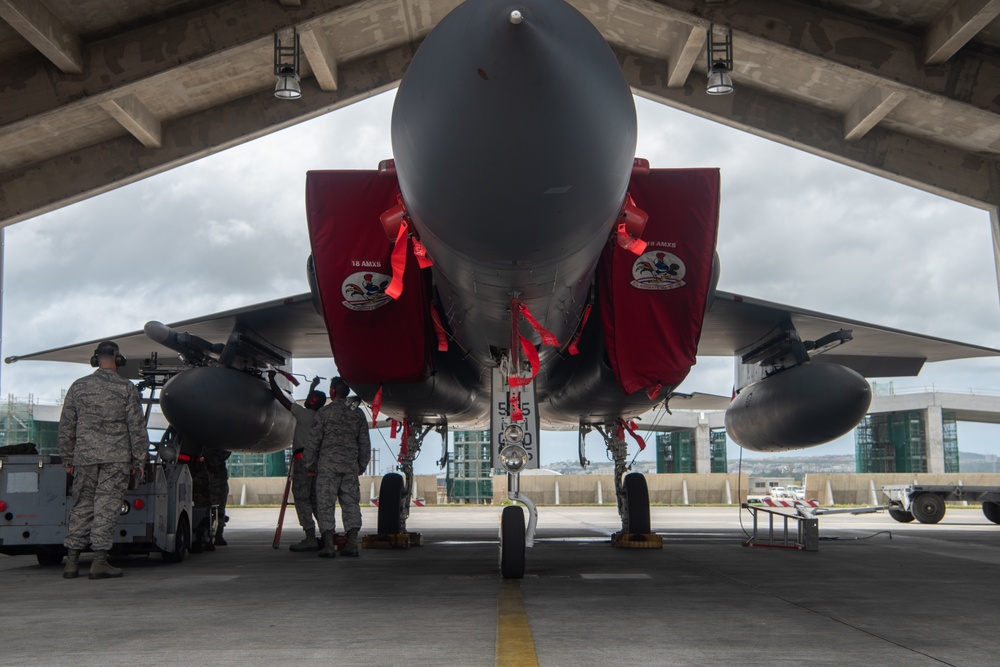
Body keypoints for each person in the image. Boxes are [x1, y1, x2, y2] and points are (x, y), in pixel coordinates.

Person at [59, 341, 149, 579]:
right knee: (106, 508)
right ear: (118, 359)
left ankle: (71, 562)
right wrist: (140, 461)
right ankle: (99, 561)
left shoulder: (78, 387)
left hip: (85, 458)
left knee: (82, 506)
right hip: (116, 458)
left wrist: (68, 458)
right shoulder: (126, 388)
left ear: (95, 358)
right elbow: (136, 428)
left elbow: (67, 426)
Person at [303, 377, 370, 558]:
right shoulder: (358, 414)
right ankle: (352, 544)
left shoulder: (324, 412)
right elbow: (364, 442)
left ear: (332, 391)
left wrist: (309, 464)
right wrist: (362, 465)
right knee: (350, 504)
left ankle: (328, 545)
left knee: (325, 504)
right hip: (349, 466)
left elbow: (313, 440)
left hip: (328, 468)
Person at [268, 371, 326, 551]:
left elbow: (281, 398)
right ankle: (326, 536)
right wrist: (313, 387)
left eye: (310, 398)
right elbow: (311, 401)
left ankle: (309, 537)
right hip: (319, 462)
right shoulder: (320, 417)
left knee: (301, 498)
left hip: (303, 462)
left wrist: (271, 380)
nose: (307, 400)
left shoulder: (303, 414)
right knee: (316, 499)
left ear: (312, 402)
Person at [203, 448, 232, 546]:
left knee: (218, 510)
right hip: (212, 479)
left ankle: (216, 535)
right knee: (209, 510)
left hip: (216, 479)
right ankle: (211, 536)